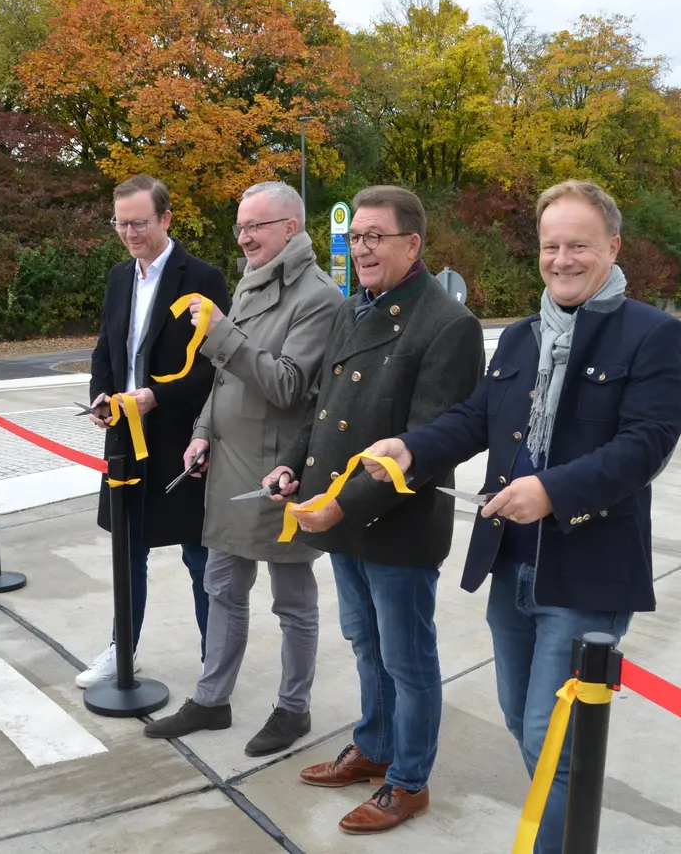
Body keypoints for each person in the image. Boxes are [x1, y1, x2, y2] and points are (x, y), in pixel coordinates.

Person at [361, 179, 681, 853]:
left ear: (613, 247)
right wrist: (412, 447)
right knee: (521, 720)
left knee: (552, 736)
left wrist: (551, 490)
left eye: (579, 246)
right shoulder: (520, 337)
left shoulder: (653, 335)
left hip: (587, 573)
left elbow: (645, 446)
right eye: (550, 246)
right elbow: (473, 420)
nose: (562, 260)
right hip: (512, 563)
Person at [265, 185, 485, 834]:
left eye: (374, 238)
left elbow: (429, 446)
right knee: (365, 645)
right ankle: (375, 746)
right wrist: (293, 467)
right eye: (354, 237)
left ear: (412, 244)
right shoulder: (352, 308)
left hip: (397, 528)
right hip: (343, 517)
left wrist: (341, 508)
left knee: (407, 661)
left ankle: (409, 781)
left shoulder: (447, 325)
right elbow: (322, 408)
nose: (360, 249)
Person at [141, 181, 345, 756]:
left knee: (292, 601)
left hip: (278, 476)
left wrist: (221, 334)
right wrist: (202, 432)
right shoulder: (252, 282)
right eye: (241, 226)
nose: (244, 237)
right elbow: (225, 378)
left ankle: (293, 709)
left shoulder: (319, 297)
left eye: (256, 226)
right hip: (229, 466)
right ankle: (212, 699)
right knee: (223, 587)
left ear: (291, 228)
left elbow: (287, 385)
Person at [79, 174, 232, 689]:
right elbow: (106, 350)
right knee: (127, 551)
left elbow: (216, 366)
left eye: (139, 223)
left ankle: (214, 662)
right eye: (120, 223)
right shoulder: (119, 277)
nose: (129, 233)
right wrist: (101, 396)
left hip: (183, 437)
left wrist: (156, 397)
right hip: (124, 436)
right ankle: (122, 649)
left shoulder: (203, 278)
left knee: (198, 556)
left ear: (165, 218)